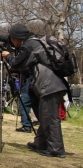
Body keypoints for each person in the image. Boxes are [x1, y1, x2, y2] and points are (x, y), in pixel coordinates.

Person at [5, 23, 67, 158]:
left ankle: (56, 149)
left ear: (16, 38)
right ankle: (40, 143)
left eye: (11, 39)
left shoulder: (29, 46)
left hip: (49, 85)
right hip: (54, 83)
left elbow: (17, 64)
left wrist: (8, 56)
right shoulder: (37, 42)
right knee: (46, 116)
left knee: (50, 118)